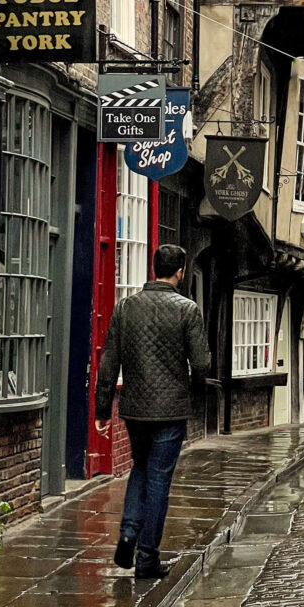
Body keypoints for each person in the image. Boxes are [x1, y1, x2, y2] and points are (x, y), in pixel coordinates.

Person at [95, 244, 209, 579]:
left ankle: (128, 534)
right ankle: (147, 557)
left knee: (139, 469)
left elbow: (108, 362)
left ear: (153, 267)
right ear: (180, 272)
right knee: (159, 479)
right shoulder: (188, 310)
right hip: (170, 411)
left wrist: (103, 409)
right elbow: (201, 363)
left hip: (135, 409)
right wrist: (196, 393)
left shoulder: (126, 307)